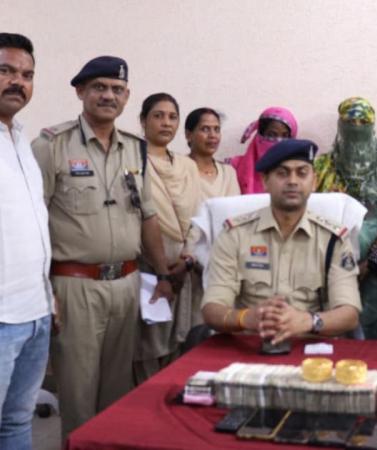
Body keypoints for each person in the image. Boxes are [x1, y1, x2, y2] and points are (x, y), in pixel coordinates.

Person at [31, 55, 174, 437]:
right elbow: (33, 221)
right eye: (99, 87)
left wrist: (162, 274)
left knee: (118, 394)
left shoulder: (135, 149)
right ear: (81, 91)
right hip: (74, 285)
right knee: (78, 394)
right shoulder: (51, 145)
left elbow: (147, 215)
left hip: (126, 283)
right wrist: (43, 289)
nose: (109, 96)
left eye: (117, 89)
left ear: (127, 96)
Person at [202, 139, 361, 342]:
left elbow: (349, 314)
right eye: (282, 173)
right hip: (251, 346)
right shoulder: (235, 235)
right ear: (265, 181)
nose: (292, 181)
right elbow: (212, 309)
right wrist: (245, 318)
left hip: (311, 347)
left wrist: (308, 321)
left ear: (314, 181)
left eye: (302, 173)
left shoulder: (333, 239)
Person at [314, 97, 377, 339]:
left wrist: (369, 261)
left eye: (363, 123)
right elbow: (312, 215)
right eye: (350, 122)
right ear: (340, 124)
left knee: (371, 328)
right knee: (332, 325)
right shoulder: (322, 165)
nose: (356, 128)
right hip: (329, 260)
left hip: (376, 260)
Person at [0, 32, 51, 450]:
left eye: (27, 75)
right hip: (1, 316)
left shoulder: (21, 139)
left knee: (17, 422)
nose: (18, 81)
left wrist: (48, 297)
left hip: (35, 312)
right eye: (5, 71)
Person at [134, 93, 202, 383]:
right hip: (148, 266)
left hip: (183, 268)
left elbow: (198, 217)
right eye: (158, 116)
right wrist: (161, 267)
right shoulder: (134, 161)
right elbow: (137, 216)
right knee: (148, 345)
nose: (166, 123)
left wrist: (186, 260)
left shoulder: (188, 166)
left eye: (172, 117)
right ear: (143, 120)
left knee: (179, 342)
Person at [230, 106, 298, 194]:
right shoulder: (234, 168)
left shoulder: (298, 171)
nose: (278, 142)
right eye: (272, 135)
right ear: (260, 136)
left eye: (285, 136)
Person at [185, 107, 241, 200]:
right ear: (188, 135)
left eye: (216, 129)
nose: (213, 135)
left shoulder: (228, 172)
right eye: (205, 129)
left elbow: (236, 207)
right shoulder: (179, 170)